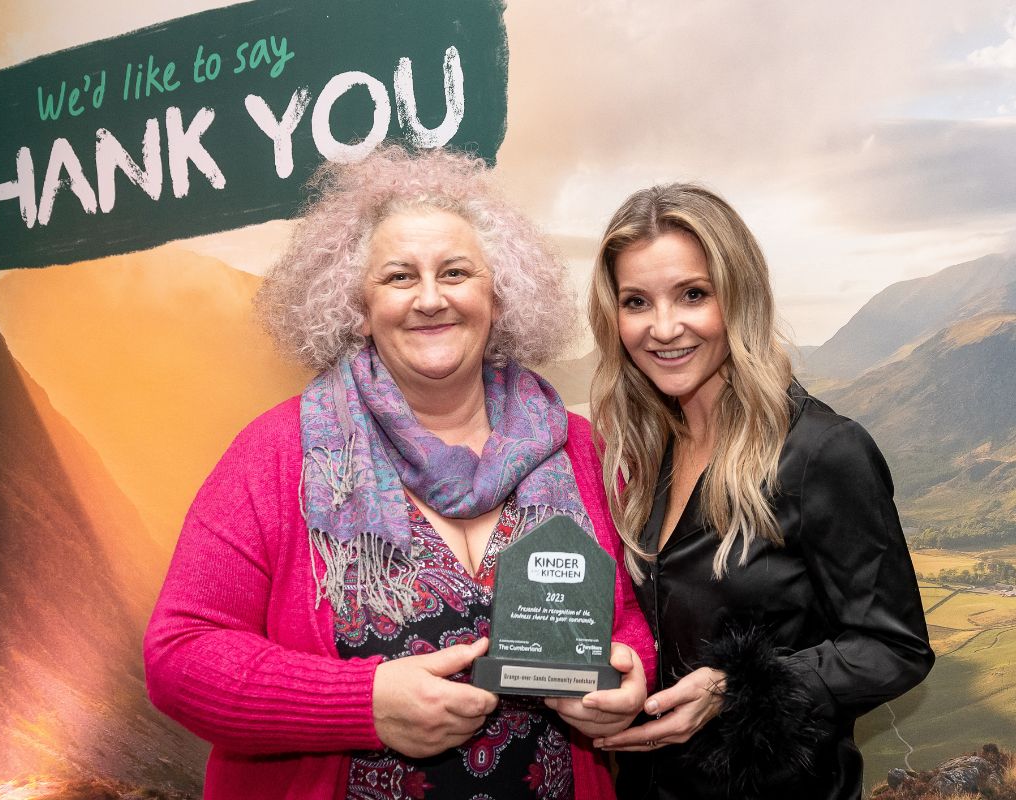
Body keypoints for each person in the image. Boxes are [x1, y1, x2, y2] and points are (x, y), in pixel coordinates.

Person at [143, 146, 654, 800]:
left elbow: (633, 617)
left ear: (499, 297)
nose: (431, 298)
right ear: (356, 306)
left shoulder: (580, 450)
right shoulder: (277, 455)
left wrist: (625, 676)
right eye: (399, 277)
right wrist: (363, 703)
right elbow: (180, 655)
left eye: (457, 271)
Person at [585, 183, 934, 799]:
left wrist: (737, 687)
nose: (664, 328)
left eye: (693, 294)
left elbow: (894, 648)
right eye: (636, 301)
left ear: (739, 296)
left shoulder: (823, 453)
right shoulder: (640, 452)